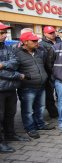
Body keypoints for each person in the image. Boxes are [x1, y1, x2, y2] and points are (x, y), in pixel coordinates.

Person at [16, 32, 55, 139]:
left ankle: (40, 124)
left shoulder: (39, 52)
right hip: (27, 87)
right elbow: (14, 70)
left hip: (41, 85)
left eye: (36, 40)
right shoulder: (17, 53)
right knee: (28, 110)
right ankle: (30, 128)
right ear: (24, 42)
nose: (36, 42)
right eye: (33, 41)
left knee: (40, 107)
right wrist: (22, 77)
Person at [0, 22, 30, 153]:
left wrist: (2, 64)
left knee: (10, 114)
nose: (4, 35)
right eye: (1, 33)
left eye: (5, 32)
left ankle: (10, 134)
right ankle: (1, 143)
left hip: (10, 88)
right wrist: (18, 75)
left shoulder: (7, 47)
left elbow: (15, 62)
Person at [39, 26, 61, 118]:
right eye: (50, 33)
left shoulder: (60, 41)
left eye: (53, 32)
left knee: (60, 92)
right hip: (49, 72)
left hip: (61, 70)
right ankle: (53, 112)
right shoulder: (41, 44)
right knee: (49, 94)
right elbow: (44, 60)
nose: (52, 34)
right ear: (45, 34)